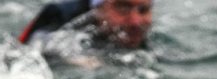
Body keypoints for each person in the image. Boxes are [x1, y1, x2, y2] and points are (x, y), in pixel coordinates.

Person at [18, 0, 154, 51]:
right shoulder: (62, 16)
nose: (135, 22)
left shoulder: (135, 33)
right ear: (99, 9)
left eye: (143, 10)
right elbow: (38, 43)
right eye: (123, 8)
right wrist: (72, 58)